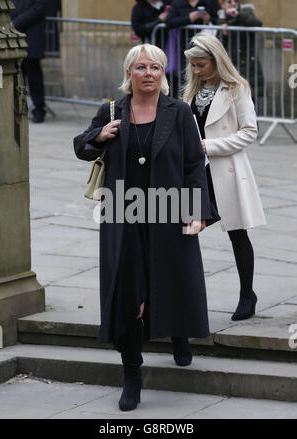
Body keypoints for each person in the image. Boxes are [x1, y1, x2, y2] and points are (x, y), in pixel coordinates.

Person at [74, 43, 216, 411]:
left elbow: (192, 164)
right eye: (141, 67)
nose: (148, 73)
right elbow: (81, 147)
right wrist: (99, 136)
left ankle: (179, 333)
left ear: (163, 74)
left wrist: (197, 210)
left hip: (170, 213)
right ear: (129, 74)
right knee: (127, 293)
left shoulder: (180, 112)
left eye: (155, 67)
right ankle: (132, 374)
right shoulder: (112, 110)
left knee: (173, 281)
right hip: (124, 215)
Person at [183, 32, 266, 321]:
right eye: (193, 65)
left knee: (237, 233)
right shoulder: (191, 90)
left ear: (216, 60)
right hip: (196, 171)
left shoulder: (236, 88)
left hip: (226, 169)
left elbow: (249, 131)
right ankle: (180, 295)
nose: (196, 70)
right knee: (184, 229)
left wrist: (211, 146)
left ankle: (247, 294)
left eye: (201, 64)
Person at [165, 0, 219, 98]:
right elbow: (169, 22)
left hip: (205, 48)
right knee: (185, 77)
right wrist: (189, 18)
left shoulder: (210, 2)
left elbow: (218, 21)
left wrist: (208, 20)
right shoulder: (178, 3)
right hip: (182, 49)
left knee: (204, 76)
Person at [217, 0, 264, 101]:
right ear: (223, 5)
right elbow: (218, 45)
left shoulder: (246, 12)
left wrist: (237, 15)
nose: (233, 3)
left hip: (247, 61)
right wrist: (223, 34)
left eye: (235, 1)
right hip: (230, 63)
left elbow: (257, 23)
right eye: (229, 1)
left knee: (250, 96)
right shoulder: (221, 17)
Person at [11, 0, 48, 123]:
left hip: (31, 40)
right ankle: (18, 109)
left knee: (34, 79)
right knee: (17, 79)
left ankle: (39, 109)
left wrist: (16, 23)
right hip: (15, 40)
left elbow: (39, 9)